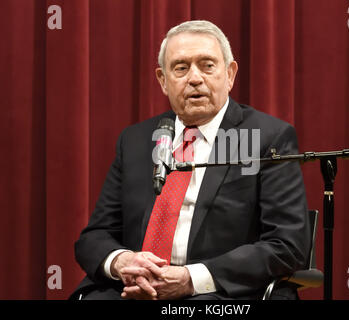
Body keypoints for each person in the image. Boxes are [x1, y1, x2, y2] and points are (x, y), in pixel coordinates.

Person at [71, 20, 310, 300]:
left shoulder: (263, 138)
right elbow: (94, 236)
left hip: (219, 292)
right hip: (136, 289)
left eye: (207, 65)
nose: (194, 78)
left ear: (230, 74)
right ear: (162, 80)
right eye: (181, 68)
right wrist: (122, 262)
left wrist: (191, 279)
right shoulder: (136, 141)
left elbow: (287, 245)